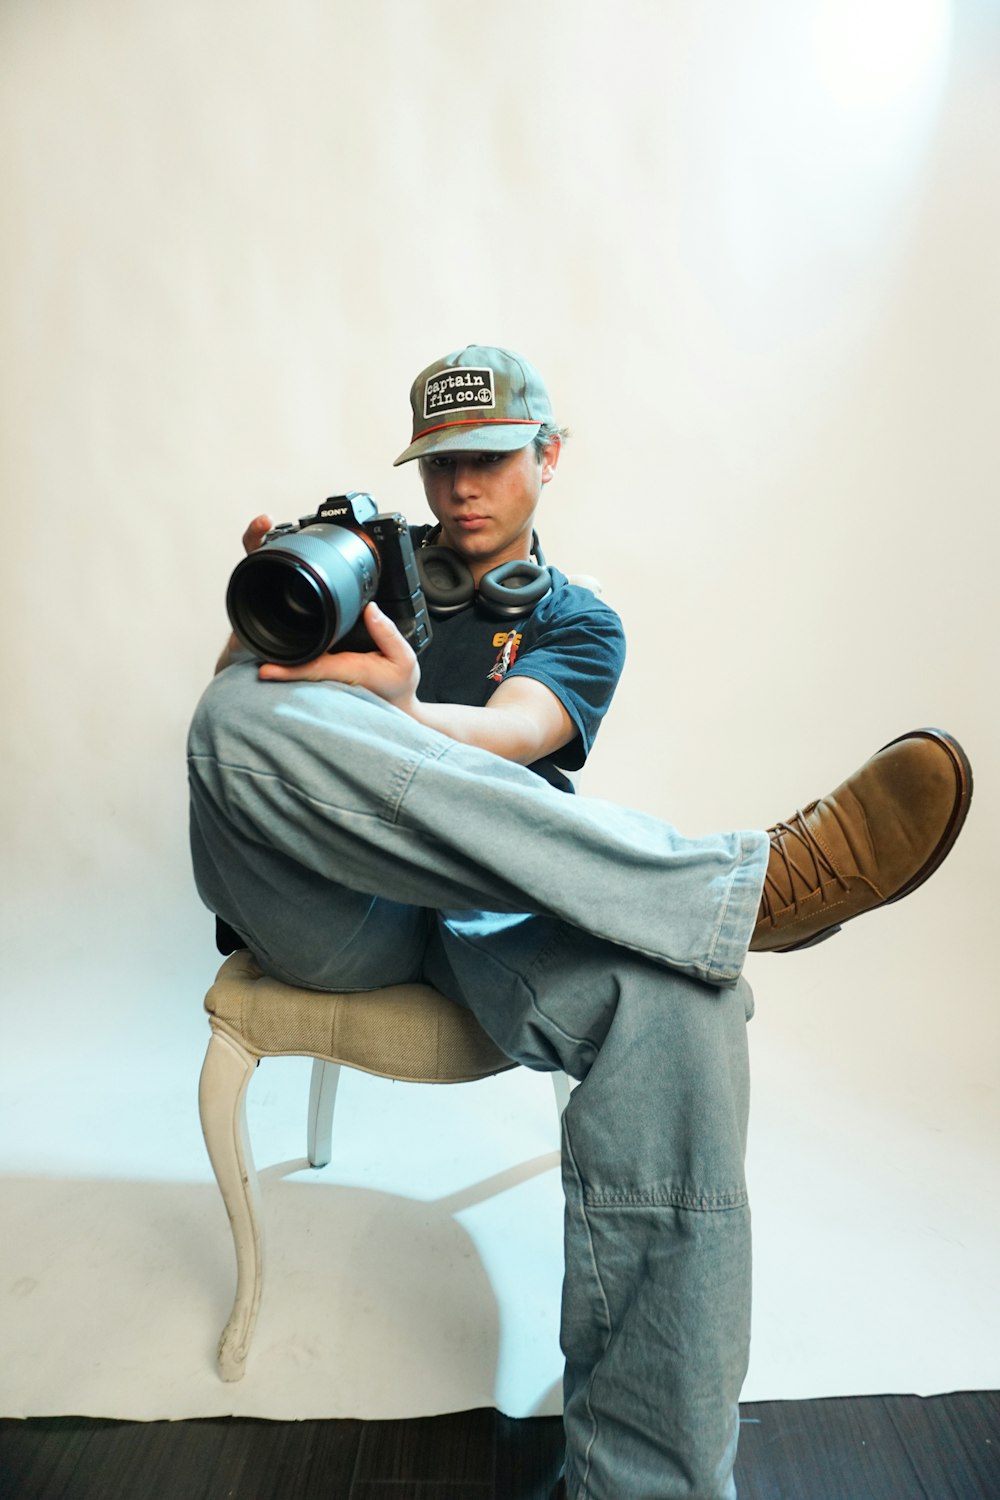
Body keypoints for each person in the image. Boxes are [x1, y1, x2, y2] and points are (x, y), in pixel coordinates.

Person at [188, 345, 972, 1500]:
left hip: (491, 912)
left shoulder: (576, 622)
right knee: (226, 718)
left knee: (678, 997)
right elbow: (254, 730)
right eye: (444, 463)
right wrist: (277, 616)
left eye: (493, 460)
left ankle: (639, 1483)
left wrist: (401, 708)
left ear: (548, 457)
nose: (463, 489)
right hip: (330, 915)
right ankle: (738, 886)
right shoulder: (360, 572)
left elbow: (513, 737)